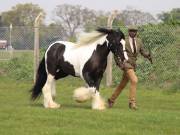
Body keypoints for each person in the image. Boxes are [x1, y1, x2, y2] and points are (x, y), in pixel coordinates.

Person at [108, 26, 152, 110]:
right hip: (126, 64)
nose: (133, 32)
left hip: (133, 64)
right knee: (134, 80)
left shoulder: (139, 41)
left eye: (134, 31)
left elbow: (142, 52)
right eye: (131, 31)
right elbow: (117, 53)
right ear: (128, 32)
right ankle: (132, 103)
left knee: (122, 85)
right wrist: (119, 63)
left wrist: (148, 56)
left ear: (136, 32)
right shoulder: (124, 41)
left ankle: (111, 100)